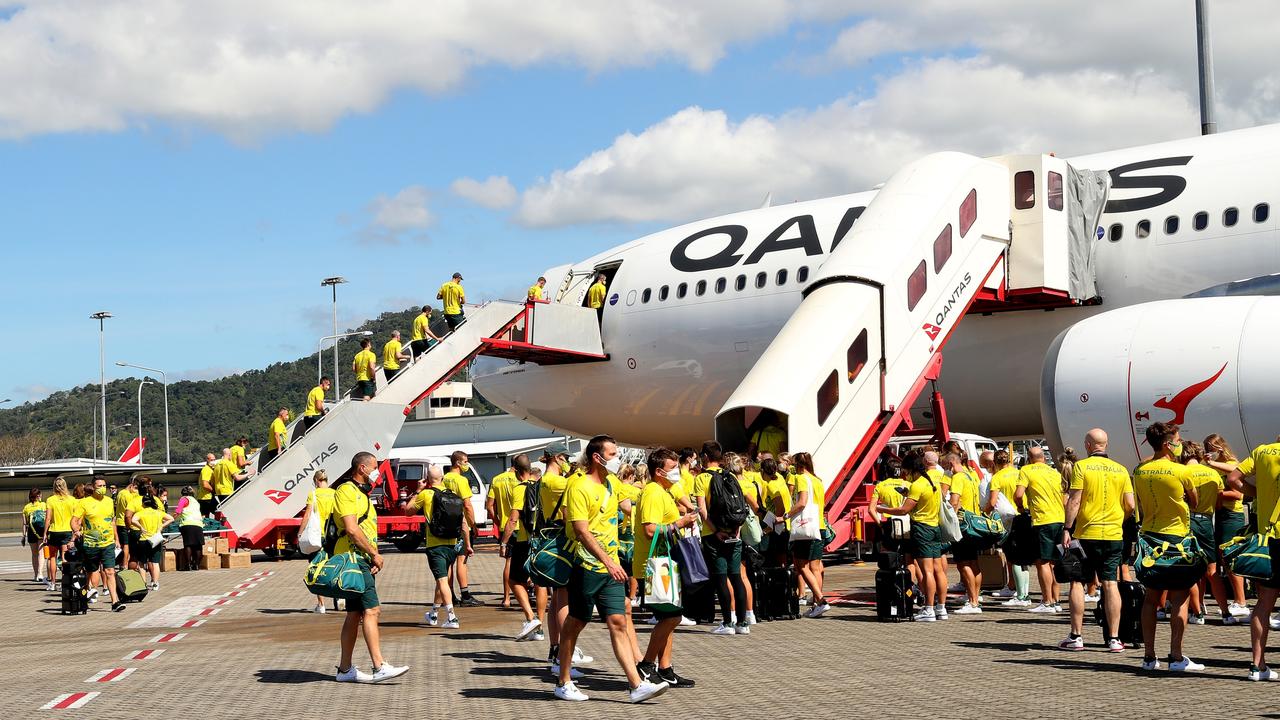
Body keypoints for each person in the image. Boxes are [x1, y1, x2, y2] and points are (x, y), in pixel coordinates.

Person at [555, 434, 668, 703]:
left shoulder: (612, 483)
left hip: (611, 569)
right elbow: (581, 531)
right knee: (575, 623)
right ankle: (563, 681)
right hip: (587, 565)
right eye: (613, 454)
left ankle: (636, 685)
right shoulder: (579, 486)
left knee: (618, 620)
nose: (617, 459)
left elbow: (639, 495)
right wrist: (608, 561)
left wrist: (668, 481)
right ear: (597, 457)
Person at [333, 452, 409, 683]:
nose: (378, 471)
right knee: (372, 611)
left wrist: (370, 556)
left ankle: (345, 669)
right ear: (363, 468)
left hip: (360, 559)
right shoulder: (347, 491)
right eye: (375, 467)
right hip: (354, 559)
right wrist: (374, 554)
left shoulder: (360, 493)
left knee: (354, 614)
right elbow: (352, 529)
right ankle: (379, 666)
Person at [1133, 421, 1202, 672]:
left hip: (1150, 538)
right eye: (1177, 439)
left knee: (1151, 599)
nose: (1180, 442)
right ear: (1167, 443)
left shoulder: (1140, 470)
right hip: (1176, 539)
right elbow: (1195, 502)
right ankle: (1176, 655)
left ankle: (1149, 657)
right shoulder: (1180, 471)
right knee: (1180, 598)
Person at [1060, 428, 1134, 652]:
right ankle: (1113, 638)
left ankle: (1076, 636)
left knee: (1078, 581)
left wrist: (1067, 528)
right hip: (1113, 534)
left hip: (1086, 533)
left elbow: (1074, 500)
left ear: (1088, 446)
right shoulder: (1121, 470)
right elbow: (1130, 505)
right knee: (1110, 583)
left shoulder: (1081, 466)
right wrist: (1119, 518)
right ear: (1106, 445)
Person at [634, 447, 699, 688]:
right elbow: (650, 529)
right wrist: (679, 523)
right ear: (659, 471)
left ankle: (665, 668)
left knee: (669, 617)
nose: (677, 473)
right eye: (673, 469)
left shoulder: (663, 489)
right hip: (654, 565)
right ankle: (647, 664)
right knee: (671, 616)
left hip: (665, 563)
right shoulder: (652, 492)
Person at [1225, 434, 1280, 680]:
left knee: (1264, 603)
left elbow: (1233, 478)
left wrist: (1256, 493)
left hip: (1267, 539)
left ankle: (1258, 666)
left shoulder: (1263, 451)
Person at [879, 450, 945, 621]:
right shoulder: (933, 481)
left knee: (927, 571)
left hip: (922, 528)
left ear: (910, 469)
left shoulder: (917, 485)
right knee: (938, 570)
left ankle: (928, 609)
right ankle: (941, 608)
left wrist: (882, 509)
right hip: (935, 526)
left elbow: (903, 510)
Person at [691, 441, 750, 634]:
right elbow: (739, 505)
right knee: (736, 577)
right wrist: (737, 529)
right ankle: (743, 623)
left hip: (713, 535)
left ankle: (727, 622)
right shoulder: (731, 475)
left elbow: (702, 509)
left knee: (720, 578)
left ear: (705, 457)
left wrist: (716, 530)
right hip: (734, 532)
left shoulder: (701, 479)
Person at [405, 464, 464, 630]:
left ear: (428, 480)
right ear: (443, 478)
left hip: (435, 545)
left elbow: (408, 511)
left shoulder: (426, 494)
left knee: (442, 581)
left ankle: (452, 618)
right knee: (442, 580)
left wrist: (417, 490)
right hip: (452, 544)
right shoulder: (452, 494)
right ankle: (434, 613)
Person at [1205, 433, 1251, 620]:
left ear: (1219, 448)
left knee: (1230, 557)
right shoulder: (1217, 468)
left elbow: (1238, 494)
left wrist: (1217, 493)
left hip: (1233, 515)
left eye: (1211, 449)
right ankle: (1238, 600)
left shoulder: (1231, 463)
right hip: (1222, 514)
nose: (1209, 453)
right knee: (1225, 558)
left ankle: (1241, 601)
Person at [1014, 446, 1066, 613]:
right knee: (1054, 562)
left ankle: (1047, 601)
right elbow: (1065, 496)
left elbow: (1018, 494)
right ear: (1044, 458)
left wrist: (1021, 508)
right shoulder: (1054, 472)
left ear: (1029, 458)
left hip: (1042, 520)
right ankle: (1056, 601)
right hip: (1059, 519)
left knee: (1042, 562)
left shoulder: (1026, 470)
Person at [1180, 441, 1225, 625]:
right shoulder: (1213, 473)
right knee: (1212, 570)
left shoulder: (1182, 473)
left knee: (1189, 570)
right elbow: (1219, 502)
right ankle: (1226, 612)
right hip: (1207, 521)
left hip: (1189, 520)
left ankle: (1197, 613)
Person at [499, 455, 541, 640]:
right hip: (543, 539)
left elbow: (513, 518)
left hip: (525, 539)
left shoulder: (520, 489)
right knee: (540, 582)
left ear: (515, 470)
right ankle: (539, 628)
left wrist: (504, 542)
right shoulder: (543, 487)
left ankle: (531, 617)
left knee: (514, 580)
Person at [787, 451, 831, 618]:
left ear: (798, 465)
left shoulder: (801, 478)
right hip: (818, 525)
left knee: (801, 565)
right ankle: (816, 603)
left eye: (793, 464)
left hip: (805, 527)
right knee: (815, 567)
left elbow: (802, 502)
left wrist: (786, 515)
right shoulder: (817, 480)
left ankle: (820, 600)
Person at [72, 475, 126, 611]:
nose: (102, 489)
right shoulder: (84, 503)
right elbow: (74, 520)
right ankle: (90, 591)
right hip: (91, 544)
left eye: (104, 486)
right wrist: (76, 531)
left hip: (107, 543)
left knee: (110, 571)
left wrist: (117, 539)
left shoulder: (108, 501)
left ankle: (115, 602)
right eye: (99, 486)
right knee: (92, 571)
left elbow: (112, 521)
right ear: (93, 487)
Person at [944, 452, 983, 614]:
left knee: (963, 563)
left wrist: (948, 518)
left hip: (962, 524)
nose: (947, 471)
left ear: (951, 464)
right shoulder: (970, 475)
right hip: (974, 522)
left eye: (947, 467)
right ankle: (974, 597)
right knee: (974, 562)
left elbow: (954, 501)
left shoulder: (958, 478)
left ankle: (973, 602)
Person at [443, 451, 482, 606]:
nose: (467, 464)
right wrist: (473, 524)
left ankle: (450, 594)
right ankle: (465, 595)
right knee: (462, 559)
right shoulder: (461, 480)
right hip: (461, 523)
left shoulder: (444, 478)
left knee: (449, 563)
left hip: (446, 523)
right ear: (458, 463)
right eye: (465, 461)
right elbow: (467, 505)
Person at [299, 471, 336, 612]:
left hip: (317, 536)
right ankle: (340, 599)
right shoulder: (334, 493)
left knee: (317, 567)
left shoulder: (313, 494)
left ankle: (321, 605)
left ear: (316, 480)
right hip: (332, 536)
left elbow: (308, 514)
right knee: (334, 565)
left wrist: (300, 532)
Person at [130, 485, 173, 591]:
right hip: (156, 539)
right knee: (155, 562)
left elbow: (132, 520)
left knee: (141, 563)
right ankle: (155, 583)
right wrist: (161, 526)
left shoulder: (140, 513)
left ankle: (143, 583)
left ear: (143, 503)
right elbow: (171, 518)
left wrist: (140, 527)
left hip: (144, 540)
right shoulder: (158, 512)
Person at [487, 463, 517, 608]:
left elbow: (489, 505)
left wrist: (497, 521)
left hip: (505, 526)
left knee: (509, 562)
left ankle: (506, 598)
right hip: (521, 525)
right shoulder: (521, 479)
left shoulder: (497, 479)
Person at [42, 477, 77, 591]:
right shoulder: (72, 500)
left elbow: (47, 518)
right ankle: (64, 582)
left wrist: (44, 533)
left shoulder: (50, 500)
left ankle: (52, 583)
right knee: (64, 557)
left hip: (54, 531)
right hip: (67, 531)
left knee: (52, 557)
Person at [173, 486, 204, 572]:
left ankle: (188, 565)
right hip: (198, 524)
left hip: (187, 524)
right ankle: (197, 565)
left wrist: (171, 519)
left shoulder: (184, 499)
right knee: (198, 545)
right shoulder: (196, 502)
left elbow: (178, 511)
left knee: (188, 544)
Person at [113, 476, 140, 570]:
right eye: (136, 488)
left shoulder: (120, 493)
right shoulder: (129, 496)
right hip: (126, 523)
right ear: (132, 486)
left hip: (119, 522)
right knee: (126, 545)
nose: (136, 491)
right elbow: (131, 511)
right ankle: (124, 564)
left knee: (121, 544)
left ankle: (121, 563)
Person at [22, 488, 46, 583]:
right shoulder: (43, 505)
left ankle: (36, 574)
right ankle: (40, 573)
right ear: (38, 496)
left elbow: (25, 524)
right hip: (41, 531)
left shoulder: (26, 507)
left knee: (34, 554)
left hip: (31, 532)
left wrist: (24, 536)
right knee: (41, 552)